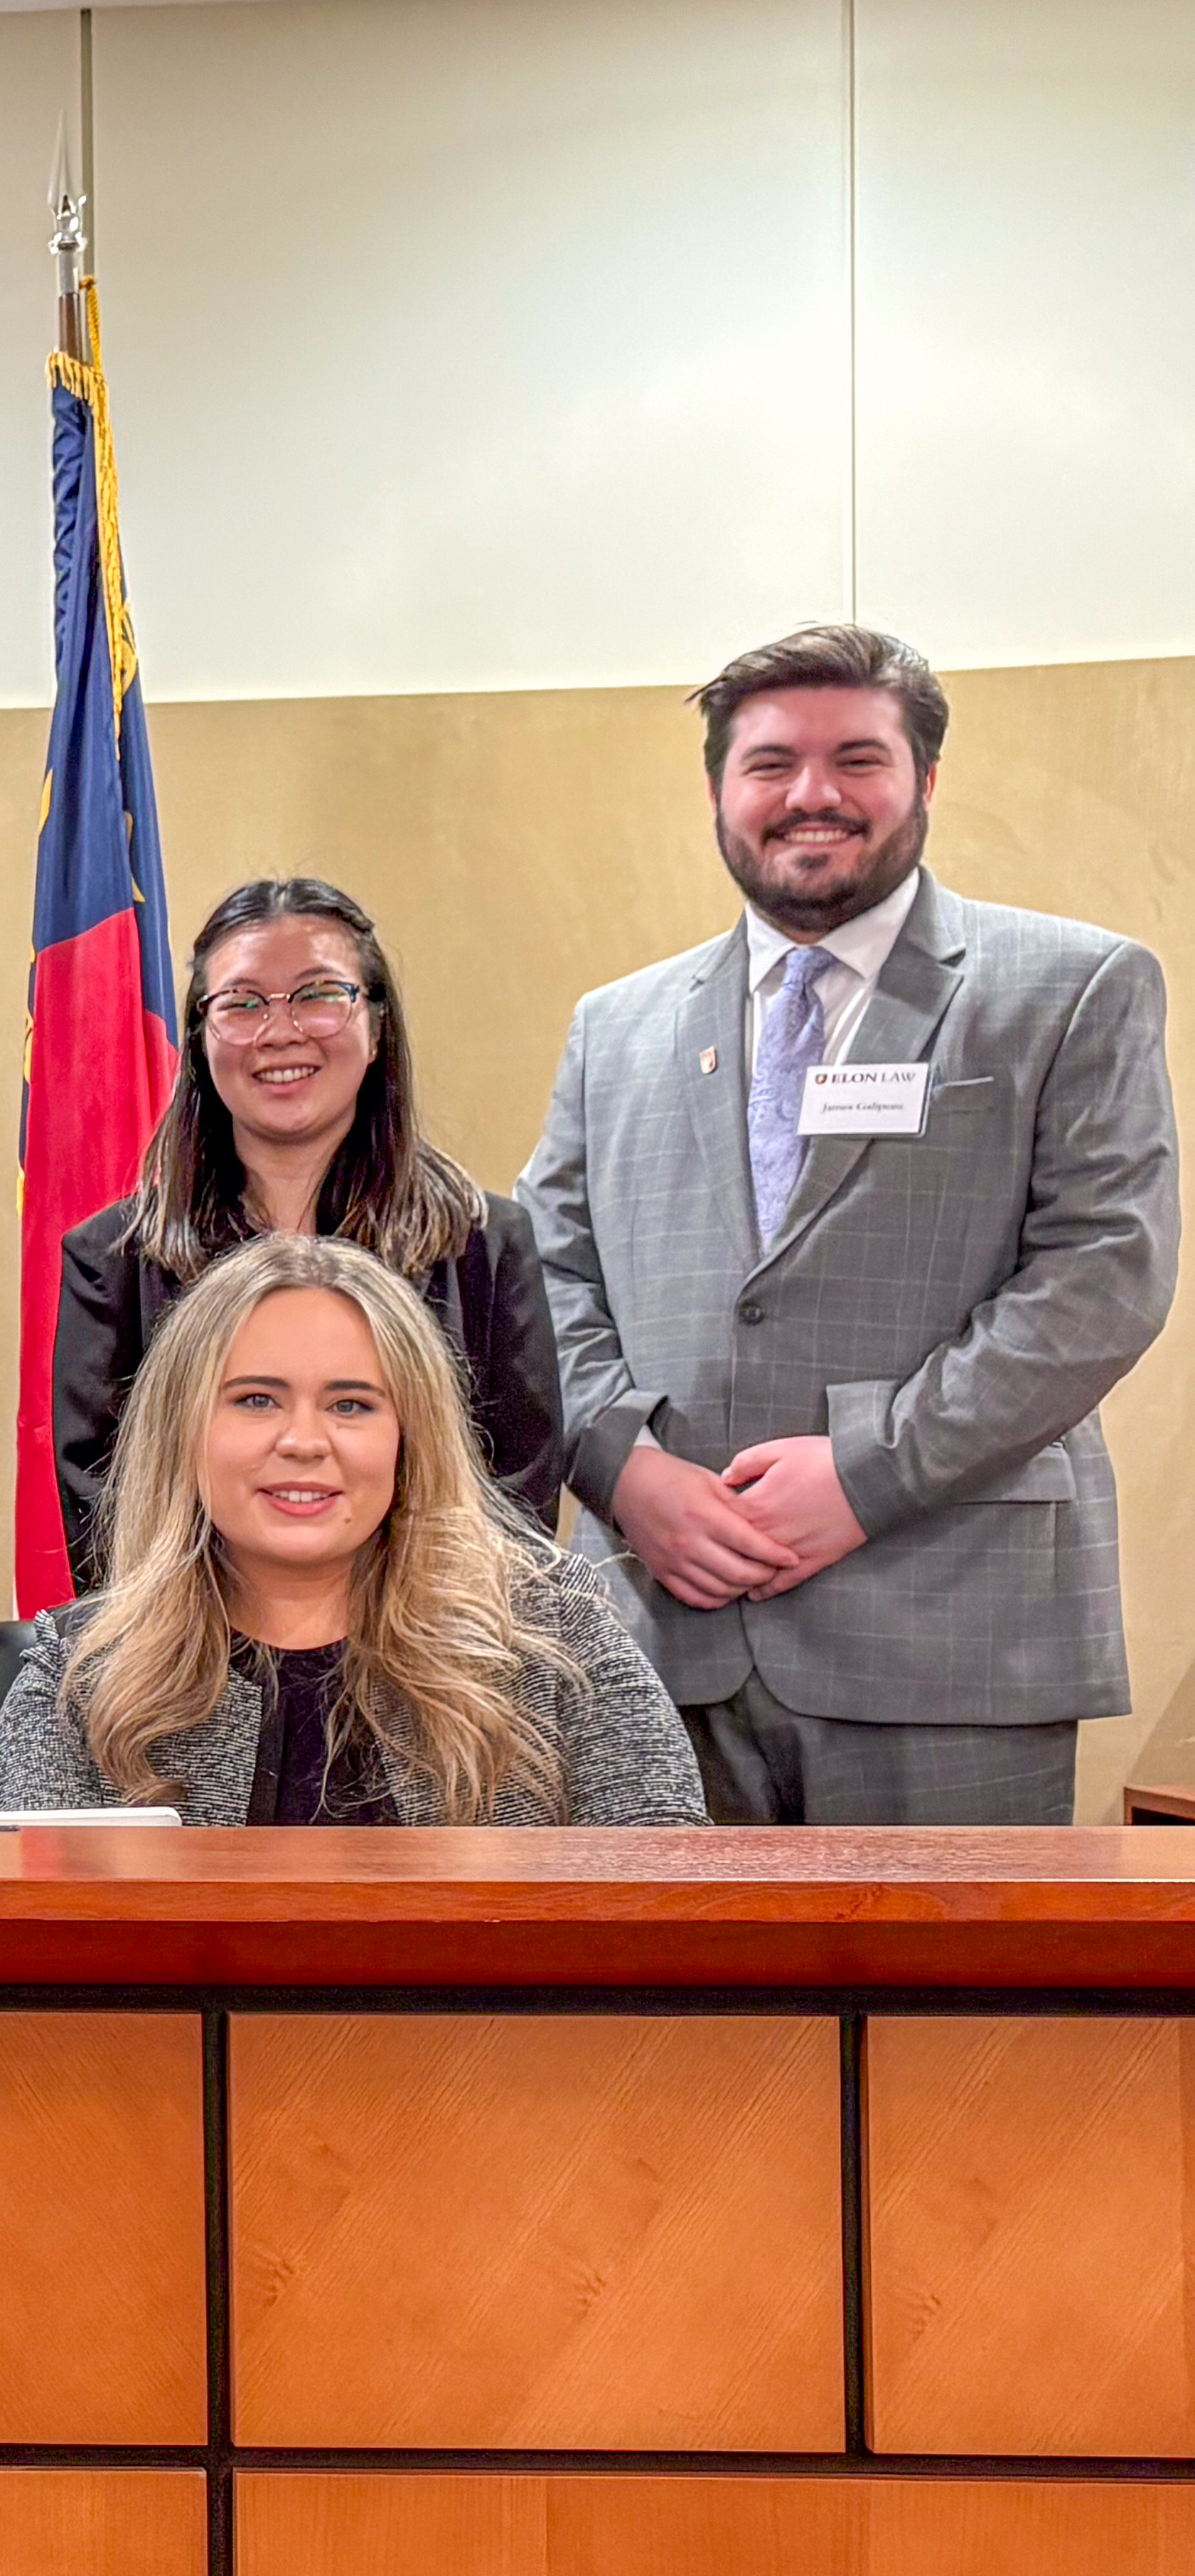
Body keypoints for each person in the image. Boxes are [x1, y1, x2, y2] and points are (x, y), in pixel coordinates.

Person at [523, 624, 1179, 1825]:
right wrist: (625, 1468)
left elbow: (1104, 1274)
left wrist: (868, 1473)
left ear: (924, 778)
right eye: (770, 763)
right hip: (655, 1643)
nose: (810, 794)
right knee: (672, 2018)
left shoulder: (1072, 987)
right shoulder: (610, 1027)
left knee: (950, 2017)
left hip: (951, 1639)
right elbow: (542, 1279)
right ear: (719, 789)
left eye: (856, 759)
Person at [0, 1235, 702, 1827]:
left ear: (407, 1438)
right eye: (256, 1400)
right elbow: (19, 1968)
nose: (304, 1441)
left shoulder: (557, 1637)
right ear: (185, 1432)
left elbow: (672, 1919)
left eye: (351, 1406)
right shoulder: (79, 1680)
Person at [53, 875, 564, 1590]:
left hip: (432, 1665)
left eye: (320, 995)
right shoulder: (113, 1261)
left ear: (378, 1026)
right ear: (199, 1039)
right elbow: (106, 1524)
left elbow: (519, 1507)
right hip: (192, 1670)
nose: (280, 1031)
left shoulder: (484, 1245)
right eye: (242, 1003)